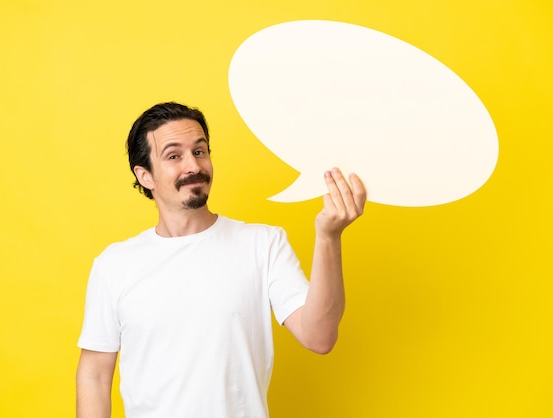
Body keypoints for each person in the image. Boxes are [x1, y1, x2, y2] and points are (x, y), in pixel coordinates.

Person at [76, 102, 366, 418]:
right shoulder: (114, 265)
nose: (193, 166)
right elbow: (94, 375)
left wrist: (328, 237)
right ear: (145, 175)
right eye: (174, 156)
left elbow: (319, 336)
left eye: (200, 152)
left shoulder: (263, 244)